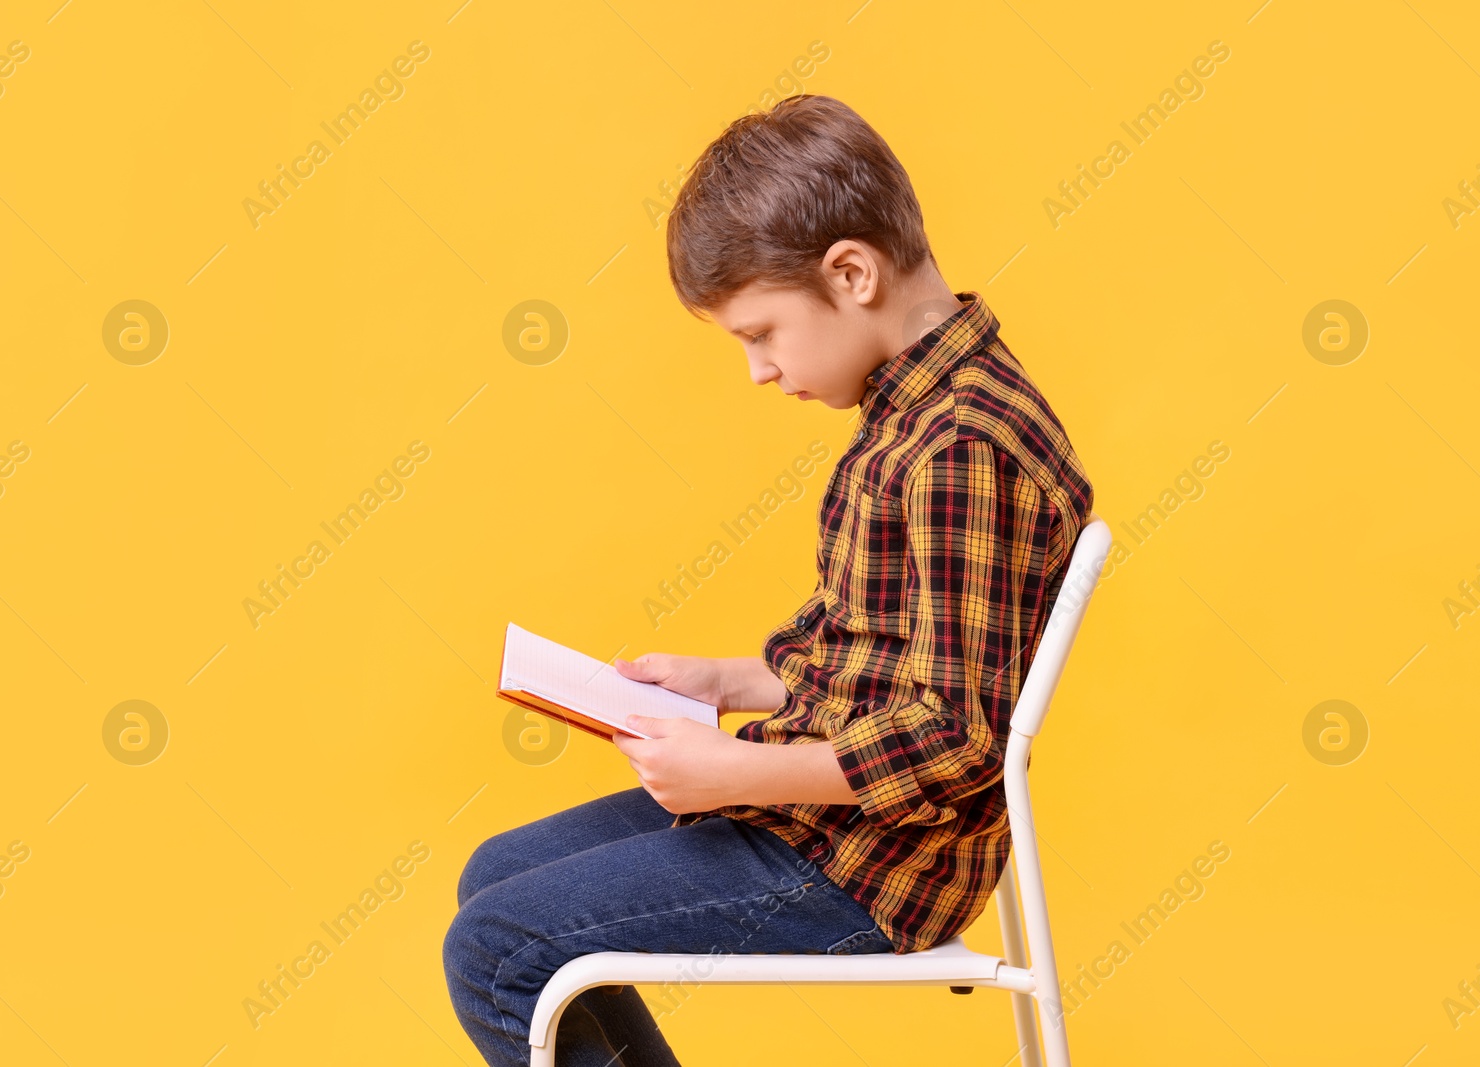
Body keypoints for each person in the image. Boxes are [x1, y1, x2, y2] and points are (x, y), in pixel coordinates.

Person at [443, 93, 1095, 1067]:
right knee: (497, 874)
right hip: (836, 820)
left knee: (498, 950)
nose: (755, 369)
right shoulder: (922, 409)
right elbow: (883, 648)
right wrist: (730, 681)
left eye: (761, 332)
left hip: (868, 865)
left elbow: (956, 735)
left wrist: (739, 770)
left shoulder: (959, 447)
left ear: (850, 272)